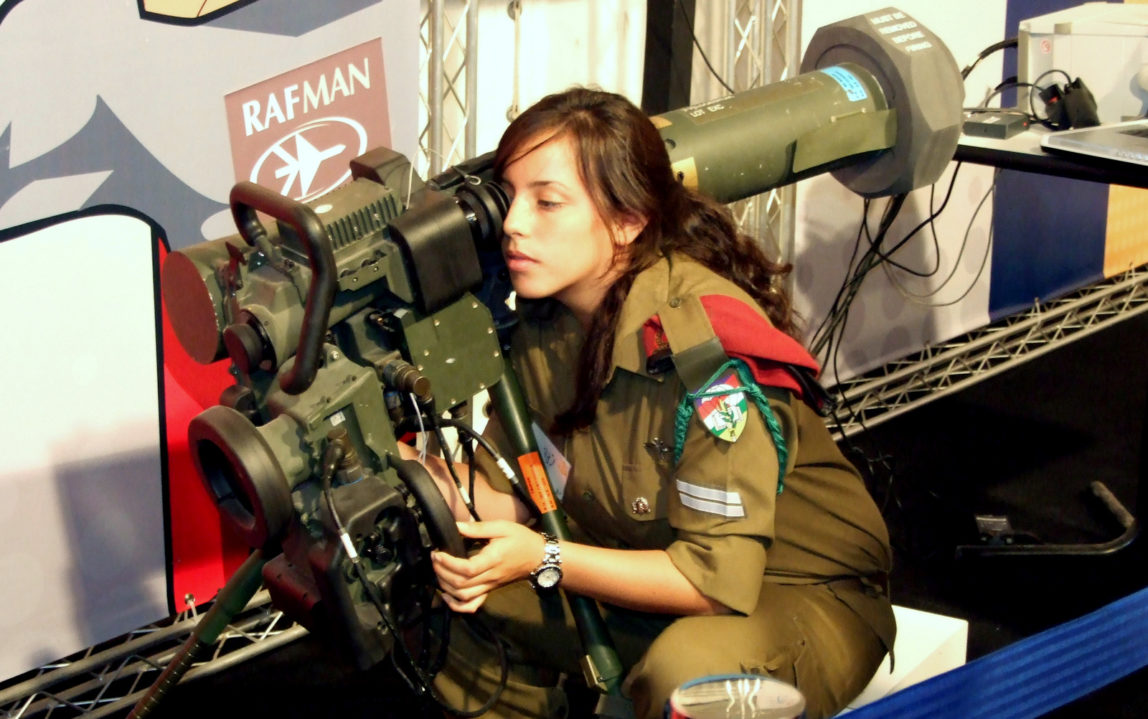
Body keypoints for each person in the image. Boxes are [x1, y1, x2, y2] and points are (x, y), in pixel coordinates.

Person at [400, 86, 895, 719]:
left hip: (798, 593)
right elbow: (517, 486)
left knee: (689, 680)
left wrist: (546, 557)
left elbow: (714, 581)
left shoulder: (708, 358)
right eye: (510, 197)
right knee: (450, 594)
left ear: (628, 221)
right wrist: (410, 472)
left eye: (548, 202)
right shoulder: (544, 327)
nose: (516, 224)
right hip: (645, 564)